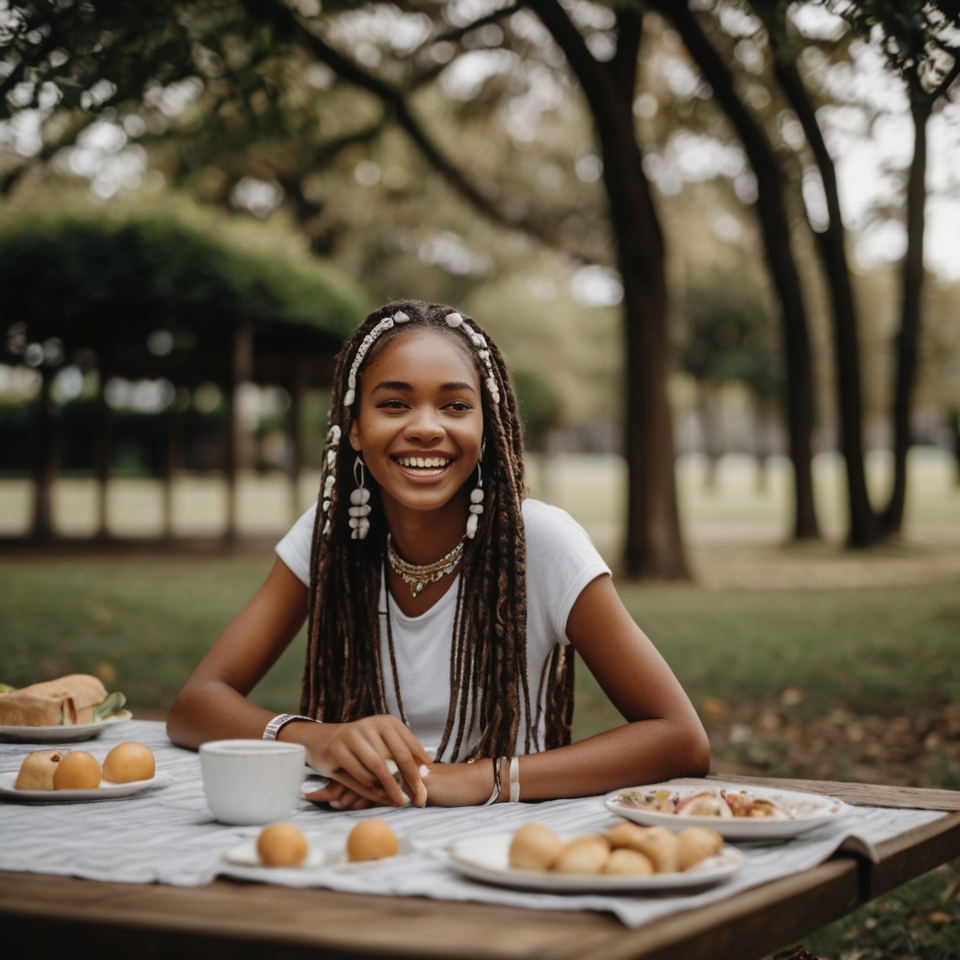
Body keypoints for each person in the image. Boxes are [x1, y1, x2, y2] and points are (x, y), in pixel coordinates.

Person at [167, 300, 709, 809]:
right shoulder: (331, 536)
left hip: (509, 837)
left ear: (486, 428)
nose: (426, 428)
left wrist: (476, 778)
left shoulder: (540, 542)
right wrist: (318, 741)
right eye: (394, 404)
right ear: (355, 428)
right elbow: (194, 706)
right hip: (358, 828)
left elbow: (680, 738)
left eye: (455, 405)